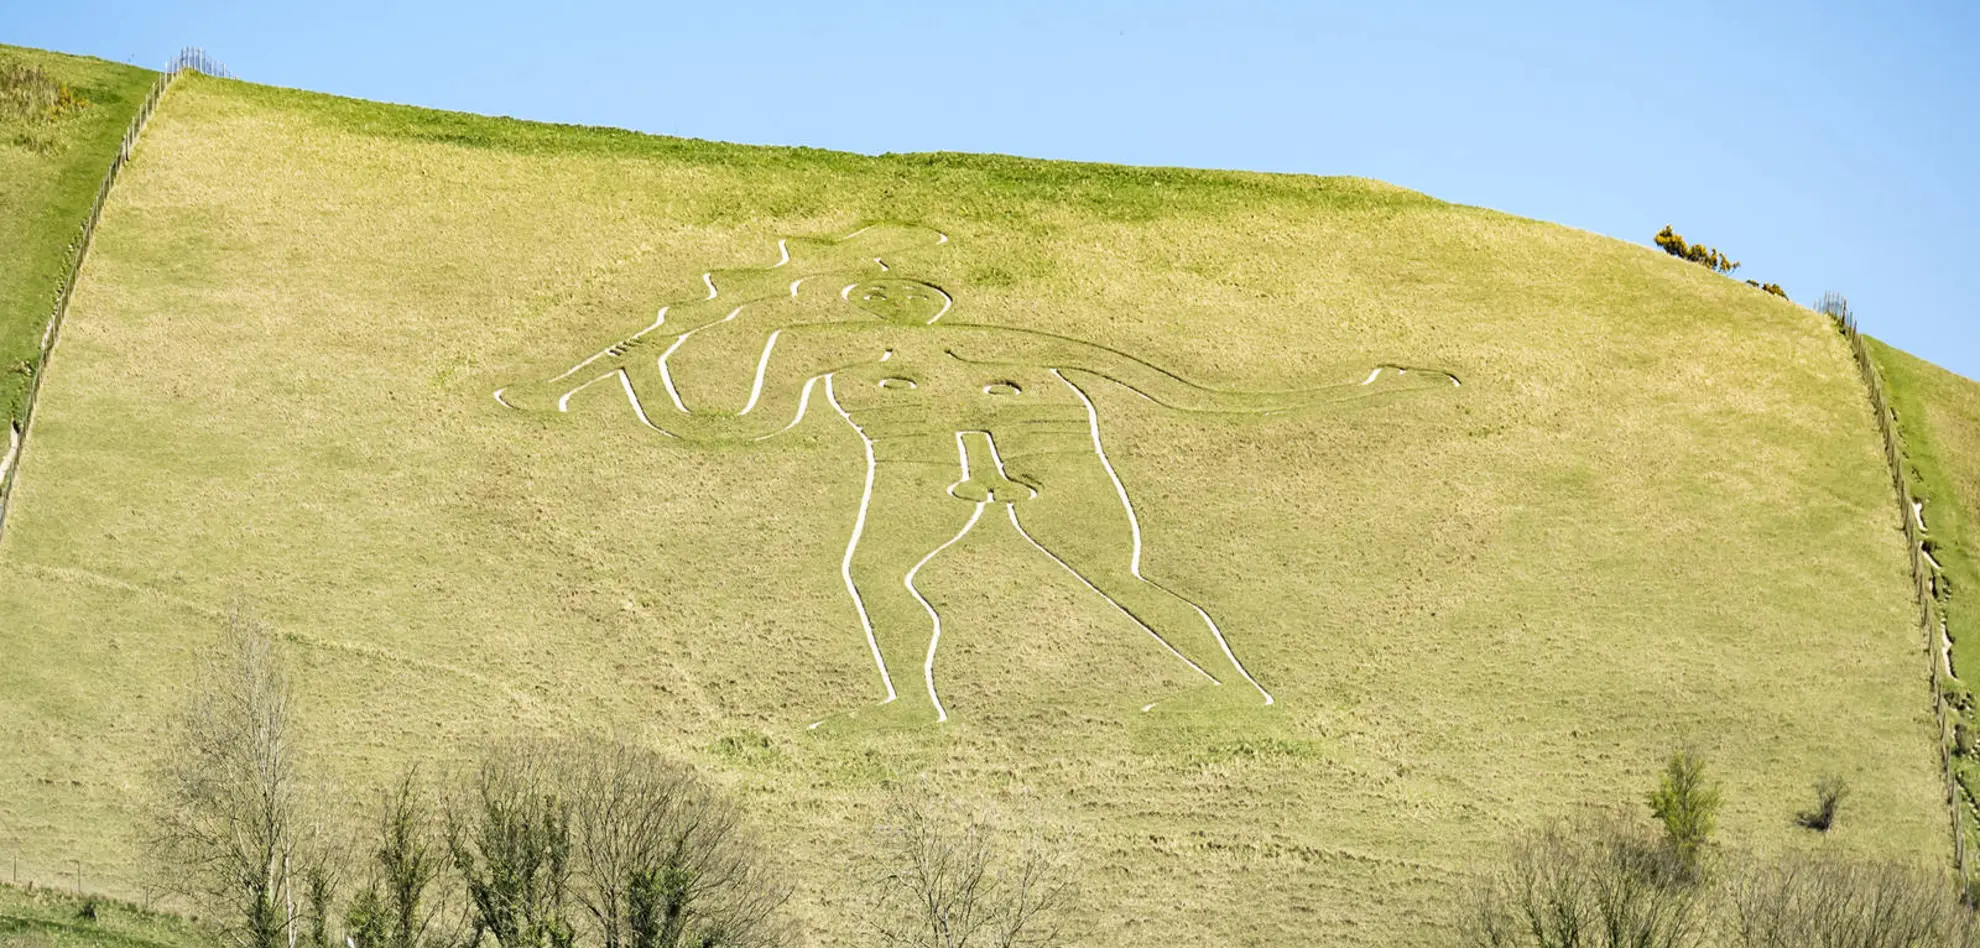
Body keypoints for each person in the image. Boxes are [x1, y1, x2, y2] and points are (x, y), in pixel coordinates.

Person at [500, 225, 1457, 723]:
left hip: (1046, 460)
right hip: (919, 475)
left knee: (1119, 578)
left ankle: (1237, 691)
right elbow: (732, 435)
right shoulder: (811, 354)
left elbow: (1190, 395)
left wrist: (1360, 391)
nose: (880, 300)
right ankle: (911, 706)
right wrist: (645, 374)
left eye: (902, 291)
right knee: (876, 573)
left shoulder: (1009, 342)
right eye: (866, 289)